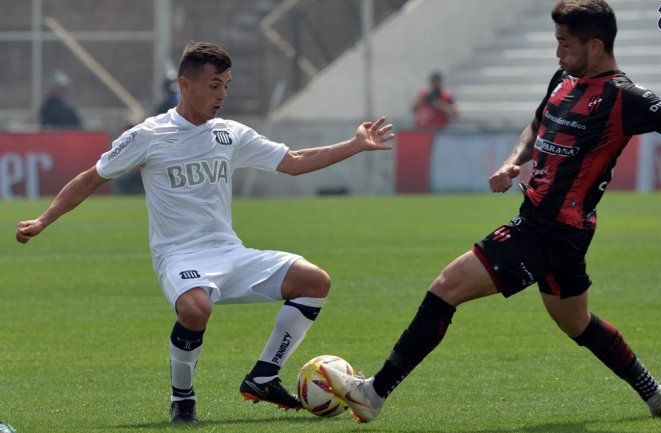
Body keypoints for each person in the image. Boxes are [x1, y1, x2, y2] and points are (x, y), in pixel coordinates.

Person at [321, 0, 661, 424]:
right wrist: (514, 161)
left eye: (565, 44)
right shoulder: (563, 81)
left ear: (595, 47)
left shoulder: (622, 97)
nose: (558, 52)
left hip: (550, 229)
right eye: (556, 42)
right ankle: (657, 395)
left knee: (444, 288)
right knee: (576, 323)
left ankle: (374, 393)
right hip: (558, 231)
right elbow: (536, 126)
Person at [15, 41, 395, 424]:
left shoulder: (229, 134)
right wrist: (44, 220)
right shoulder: (149, 135)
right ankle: (183, 399)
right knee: (196, 309)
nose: (222, 95)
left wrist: (355, 144)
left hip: (229, 252)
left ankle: (263, 377)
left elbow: (293, 162)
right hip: (179, 256)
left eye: (226, 85)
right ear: (186, 84)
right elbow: (91, 178)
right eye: (215, 85)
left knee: (315, 281)